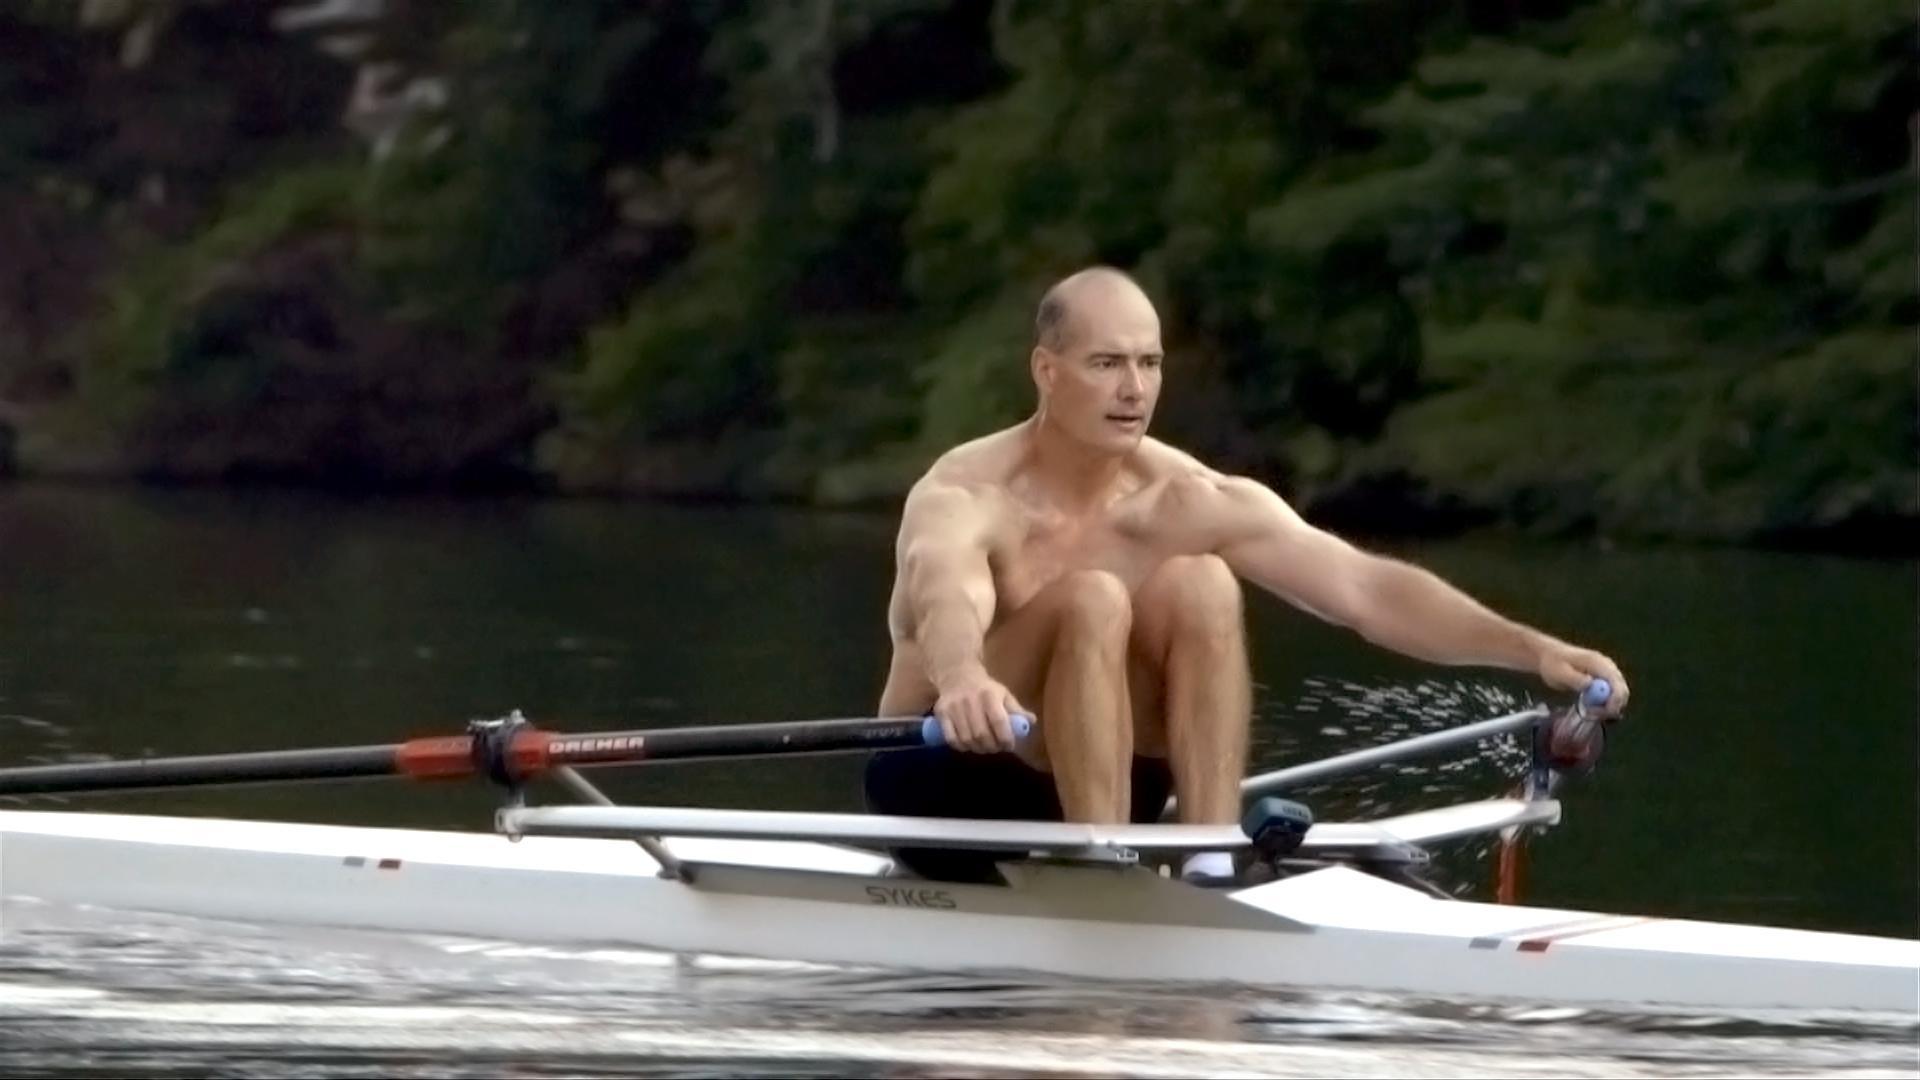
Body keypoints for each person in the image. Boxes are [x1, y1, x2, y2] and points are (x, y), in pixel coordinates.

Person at [862, 265, 1629, 883]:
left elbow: (1366, 590)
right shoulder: (968, 493)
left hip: (1117, 785)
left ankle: (1204, 857)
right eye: (1106, 363)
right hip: (949, 780)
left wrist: (1531, 649)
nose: (1134, 389)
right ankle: (1100, 868)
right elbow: (945, 594)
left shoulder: (1189, 498)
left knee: (1201, 583)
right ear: (1047, 371)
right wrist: (962, 676)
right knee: (1090, 598)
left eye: (1149, 363)